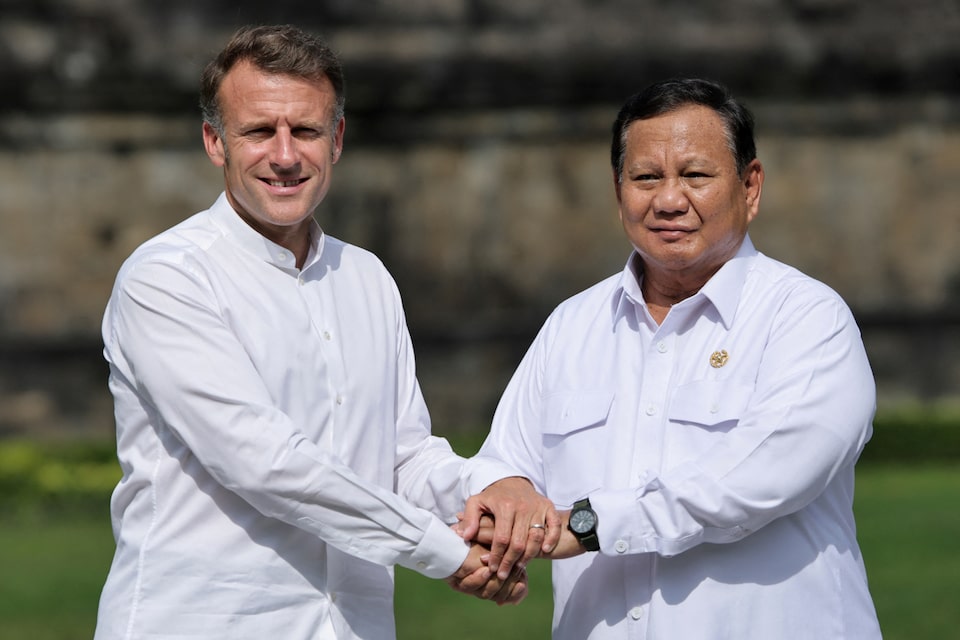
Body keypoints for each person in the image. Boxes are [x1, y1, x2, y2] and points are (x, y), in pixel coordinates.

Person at [94, 24, 558, 640]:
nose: (285, 156)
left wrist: (493, 487)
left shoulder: (366, 277)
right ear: (215, 141)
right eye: (259, 131)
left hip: (351, 624)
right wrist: (444, 552)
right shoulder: (167, 279)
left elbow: (405, 455)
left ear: (336, 138)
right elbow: (264, 463)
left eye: (305, 130)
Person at [464, 78, 883, 639]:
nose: (668, 199)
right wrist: (504, 507)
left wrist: (587, 526)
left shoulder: (806, 319)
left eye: (695, 175)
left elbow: (755, 479)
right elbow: (503, 460)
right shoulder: (572, 325)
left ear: (750, 186)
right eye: (645, 177)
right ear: (619, 192)